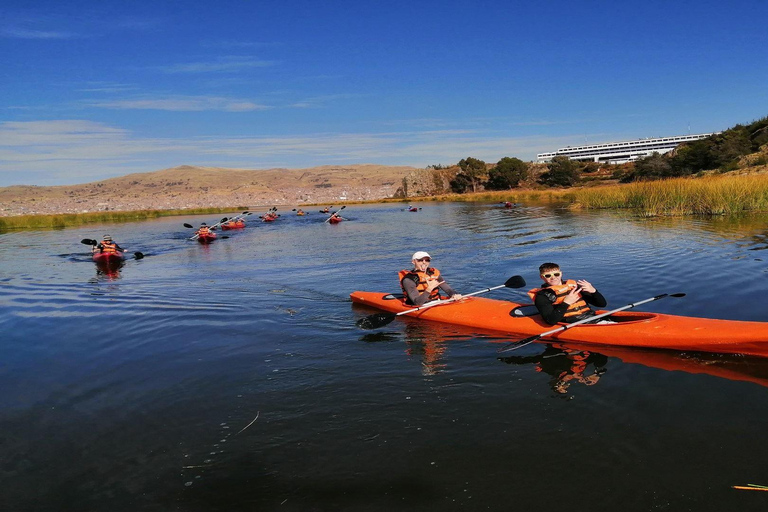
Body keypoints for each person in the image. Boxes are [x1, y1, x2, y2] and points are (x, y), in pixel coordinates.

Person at [528, 262, 608, 325]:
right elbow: (551, 321)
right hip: (572, 323)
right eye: (548, 275)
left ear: (561, 273)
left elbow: (602, 304)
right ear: (542, 277)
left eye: (556, 274)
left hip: (591, 318)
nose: (553, 277)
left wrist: (594, 291)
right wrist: (566, 303)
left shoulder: (574, 287)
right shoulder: (542, 296)